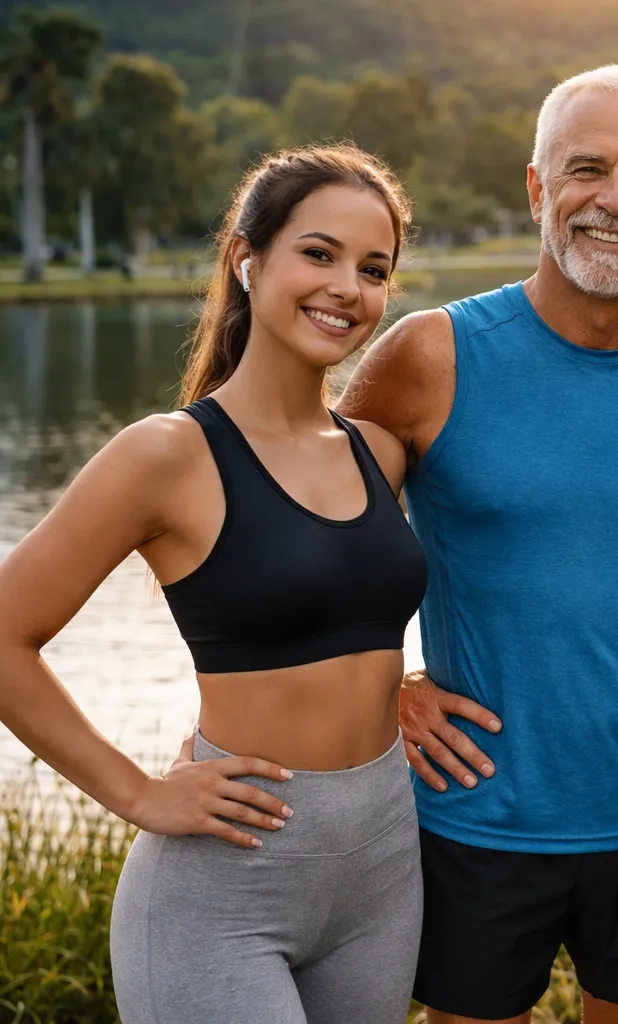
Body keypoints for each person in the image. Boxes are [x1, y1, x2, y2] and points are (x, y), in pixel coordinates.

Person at [336, 65, 618, 1024]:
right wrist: (384, 687)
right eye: (587, 169)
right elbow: (315, 538)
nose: (615, 200)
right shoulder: (427, 357)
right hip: (477, 812)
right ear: (537, 187)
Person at [0, 145, 426, 1023]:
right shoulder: (165, 455)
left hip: (382, 871)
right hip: (224, 893)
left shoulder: (379, 452)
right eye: (318, 253)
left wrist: (419, 686)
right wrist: (136, 794)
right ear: (247, 260)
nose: (347, 287)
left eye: (373, 268)